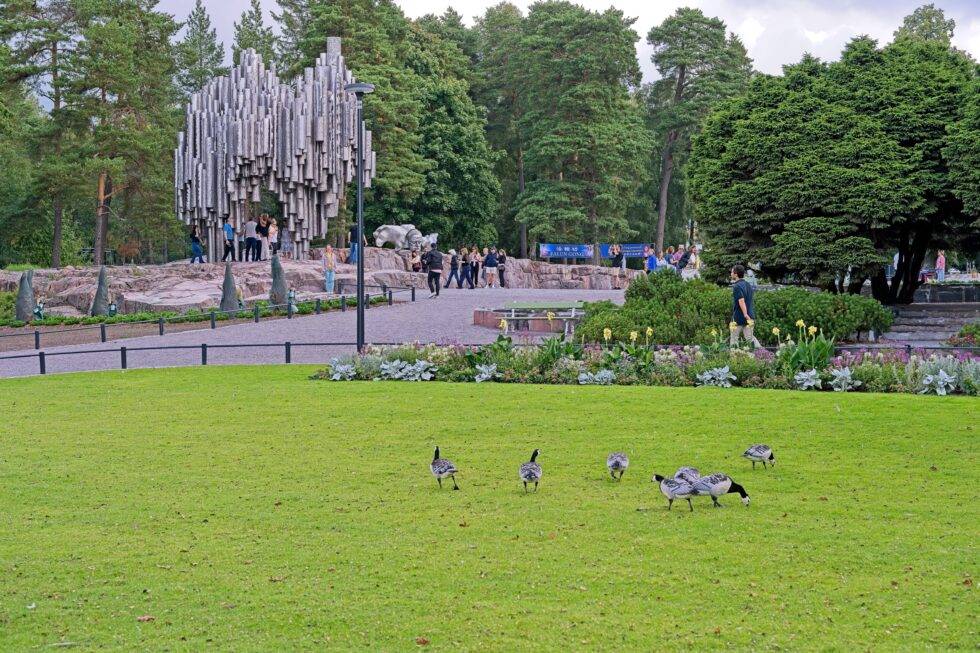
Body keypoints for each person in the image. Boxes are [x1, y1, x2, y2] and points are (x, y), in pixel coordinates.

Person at [730, 264, 761, 349]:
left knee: (734, 339)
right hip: (750, 316)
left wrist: (745, 314)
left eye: (732, 272)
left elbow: (741, 301)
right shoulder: (748, 285)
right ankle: (763, 354)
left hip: (739, 317)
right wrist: (748, 316)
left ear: (736, 274)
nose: (731, 274)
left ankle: (734, 358)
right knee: (750, 339)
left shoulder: (736, 286)